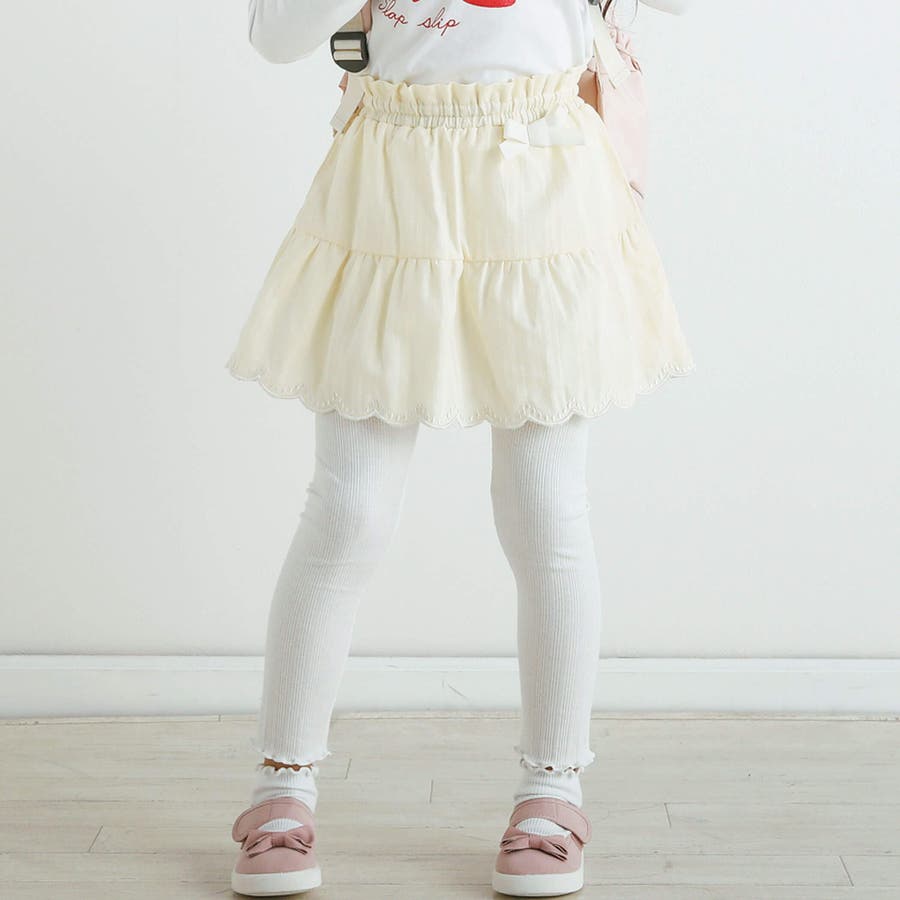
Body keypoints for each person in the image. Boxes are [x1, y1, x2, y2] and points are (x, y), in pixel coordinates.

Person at [226, 0, 695, 895]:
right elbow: (275, 38)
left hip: (543, 178)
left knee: (545, 509)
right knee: (349, 510)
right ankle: (280, 788)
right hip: (390, 184)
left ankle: (553, 789)